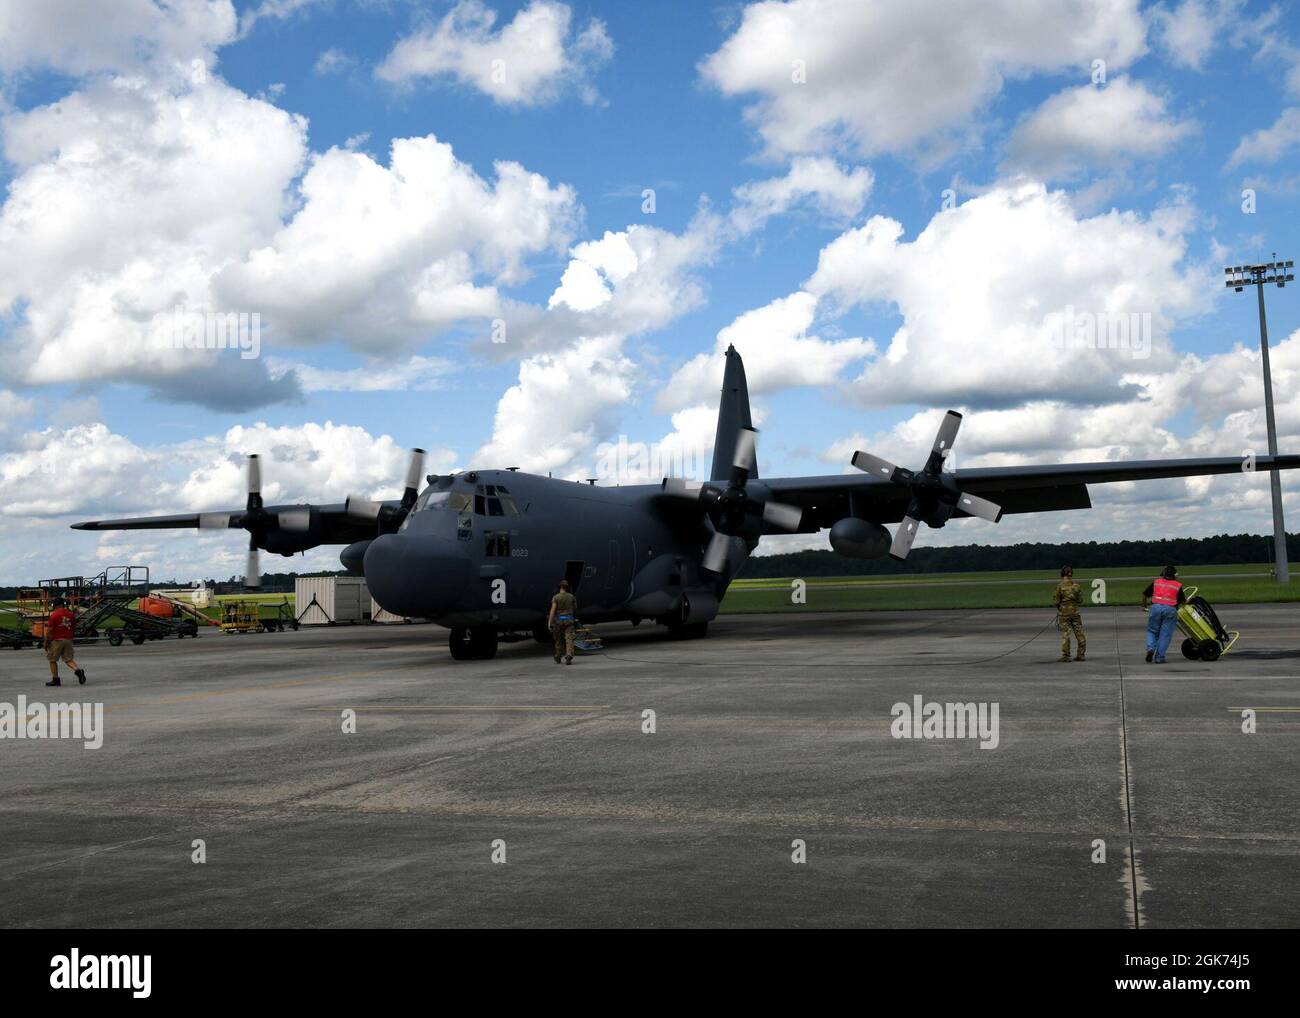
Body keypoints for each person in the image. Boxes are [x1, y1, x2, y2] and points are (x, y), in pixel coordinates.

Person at [1141, 565, 1186, 664]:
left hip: (1155, 608)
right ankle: (1159, 658)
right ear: (1175, 575)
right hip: (1170, 610)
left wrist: (1144, 607)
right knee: (1165, 635)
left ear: (1163, 574)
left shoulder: (1157, 582)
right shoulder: (1177, 585)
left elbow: (1144, 595)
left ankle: (1150, 648)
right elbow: (1183, 602)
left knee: (1152, 631)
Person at [43, 596, 86, 687]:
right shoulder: (71, 614)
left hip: (57, 640)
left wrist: (46, 642)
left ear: (54, 605)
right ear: (64, 604)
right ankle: (78, 670)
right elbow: (74, 626)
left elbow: (50, 630)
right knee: (68, 659)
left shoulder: (54, 615)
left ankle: (56, 680)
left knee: (52, 660)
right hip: (68, 639)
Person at [1052, 565, 1086, 662]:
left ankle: (1066, 656)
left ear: (1062, 574)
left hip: (1064, 614)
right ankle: (1081, 655)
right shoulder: (1076, 586)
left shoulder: (1059, 586)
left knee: (1065, 634)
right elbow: (1080, 600)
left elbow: (1056, 602)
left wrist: (1060, 609)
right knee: (1079, 633)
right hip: (1075, 613)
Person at [547, 579, 577, 665]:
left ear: (559, 587)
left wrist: (549, 622)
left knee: (559, 640)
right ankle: (569, 655)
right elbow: (575, 608)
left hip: (559, 621)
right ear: (567, 587)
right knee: (569, 639)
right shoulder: (571, 597)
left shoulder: (556, 597)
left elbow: (552, 611)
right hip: (569, 620)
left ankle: (558, 656)